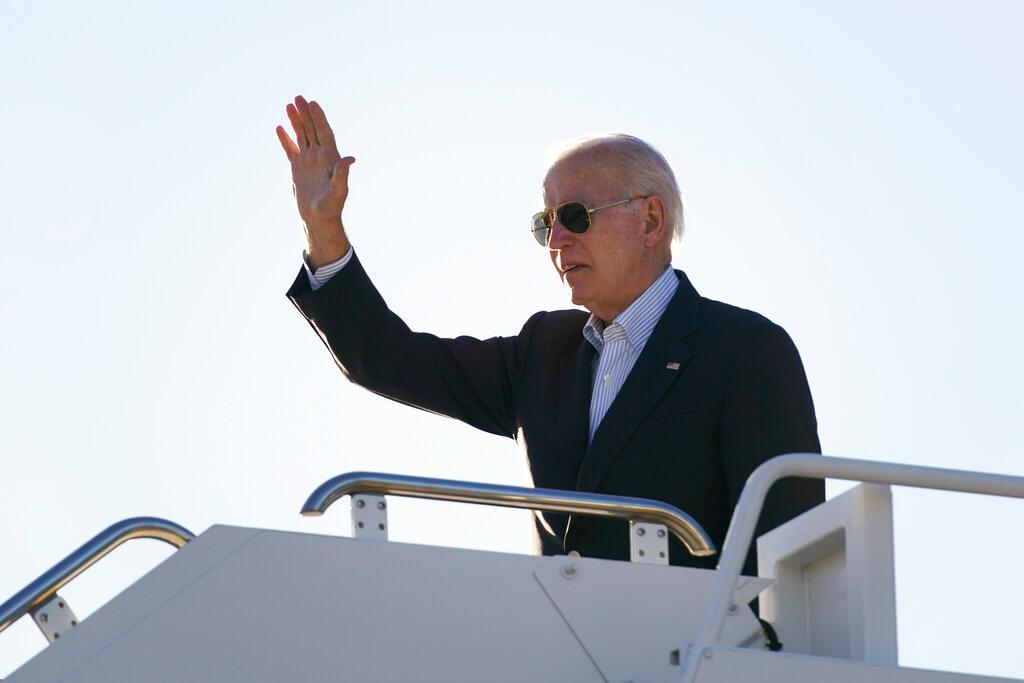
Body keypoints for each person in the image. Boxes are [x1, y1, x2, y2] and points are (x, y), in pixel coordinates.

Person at [278, 95, 824, 575]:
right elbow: (389, 359)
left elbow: (787, 542)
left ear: (652, 221)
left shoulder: (743, 347)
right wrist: (323, 231)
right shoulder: (544, 351)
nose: (556, 239)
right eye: (546, 224)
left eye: (576, 215)